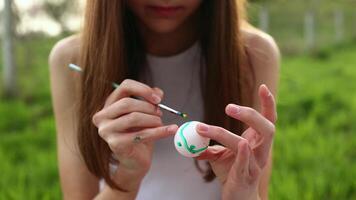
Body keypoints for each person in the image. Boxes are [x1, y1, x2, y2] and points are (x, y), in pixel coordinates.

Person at [49, 0, 280, 199]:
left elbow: (257, 193)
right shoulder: (72, 59)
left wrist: (243, 195)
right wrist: (126, 178)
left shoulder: (253, 54)